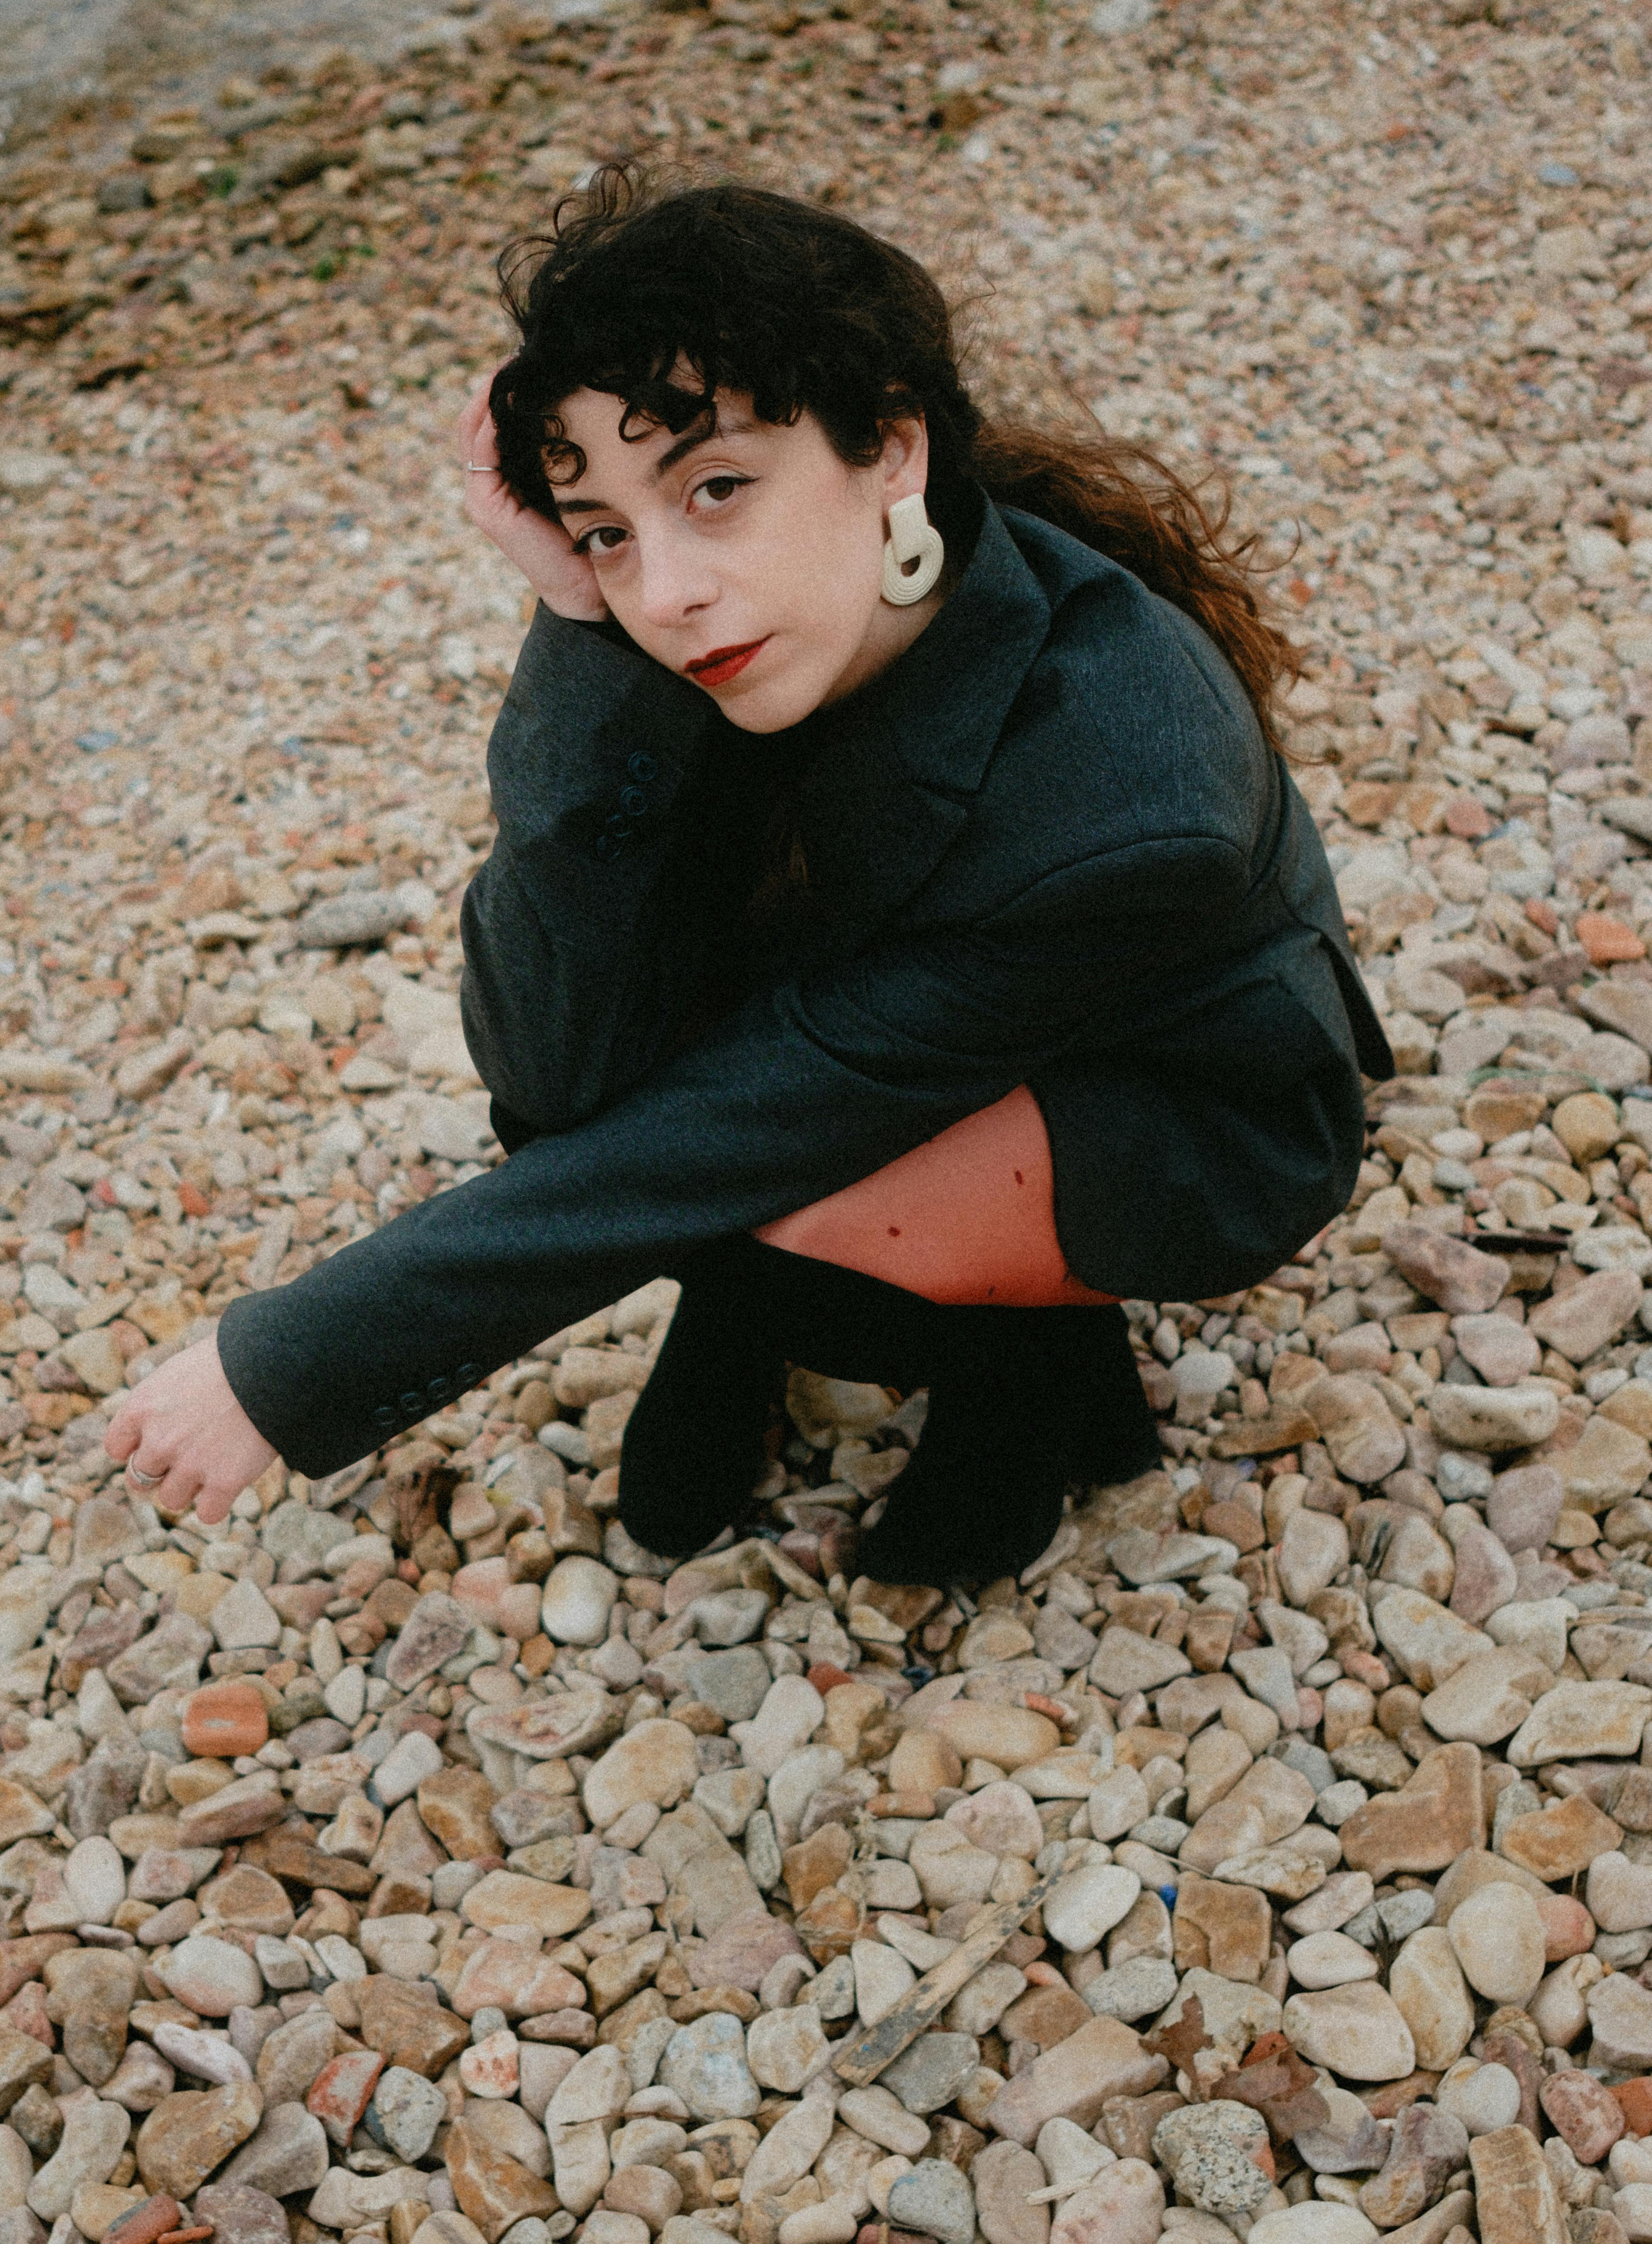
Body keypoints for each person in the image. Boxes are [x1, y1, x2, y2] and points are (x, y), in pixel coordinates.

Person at [108, 176, 1390, 1580]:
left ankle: (1024, 1357)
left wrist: (284, 1366)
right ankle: (745, 1308)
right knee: (605, 1091)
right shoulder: (772, 628)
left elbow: (747, 1121)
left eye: (714, 491)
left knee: (765, 1166)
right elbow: (549, 1060)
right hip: (881, 1029)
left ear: (887, 449)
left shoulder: (1119, 809)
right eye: (606, 529)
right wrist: (571, 619)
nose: (662, 594)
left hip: (1165, 1098)